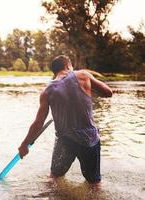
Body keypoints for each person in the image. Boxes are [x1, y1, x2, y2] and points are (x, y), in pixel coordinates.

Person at [18, 55, 113, 184]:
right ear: (67, 66)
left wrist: (24, 144)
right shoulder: (83, 75)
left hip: (65, 141)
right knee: (94, 184)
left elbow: (38, 122)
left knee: (54, 178)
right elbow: (108, 92)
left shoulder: (47, 91)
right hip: (90, 139)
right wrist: (89, 85)